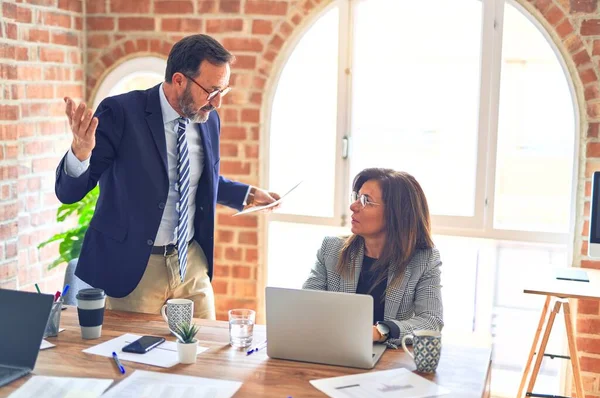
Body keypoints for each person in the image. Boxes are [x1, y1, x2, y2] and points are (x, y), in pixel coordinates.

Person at [56, 34, 279, 319]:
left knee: (203, 351)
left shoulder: (207, 119)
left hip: (190, 262)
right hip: (135, 267)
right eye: (212, 92)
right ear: (179, 80)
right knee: (133, 356)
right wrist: (80, 154)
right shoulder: (121, 112)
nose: (218, 103)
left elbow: (194, 180)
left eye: (223, 91)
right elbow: (69, 192)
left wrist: (246, 195)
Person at [303, 168, 443, 346]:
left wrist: (380, 331)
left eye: (366, 201)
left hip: (388, 361)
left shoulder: (424, 260)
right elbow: (307, 305)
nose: (353, 207)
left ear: (396, 214)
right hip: (334, 350)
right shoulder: (331, 249)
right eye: (357, 197)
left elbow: (431, 321)